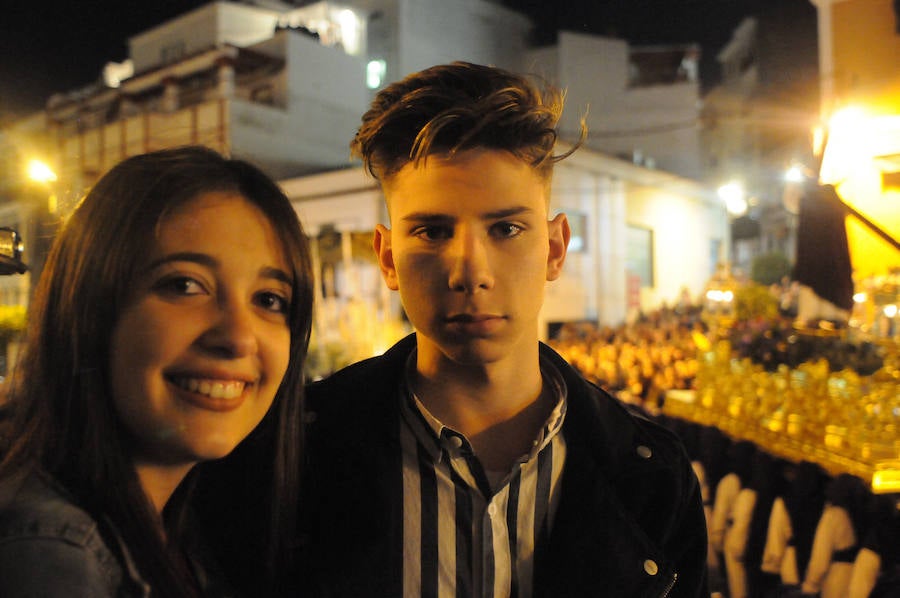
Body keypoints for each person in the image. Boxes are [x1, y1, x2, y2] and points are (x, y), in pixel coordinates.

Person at [294, 61, 709, 597]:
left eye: (507, 228)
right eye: (432, 230)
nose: (471, 271)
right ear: (388, 257)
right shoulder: (302, 453)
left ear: (554, 249)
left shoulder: (652, 478)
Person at [0, 146, 313, 596]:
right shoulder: (49, 551)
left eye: (269, 299)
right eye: (185, 285)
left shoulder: (184, 531)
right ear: (89, 308)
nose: (239, 337)